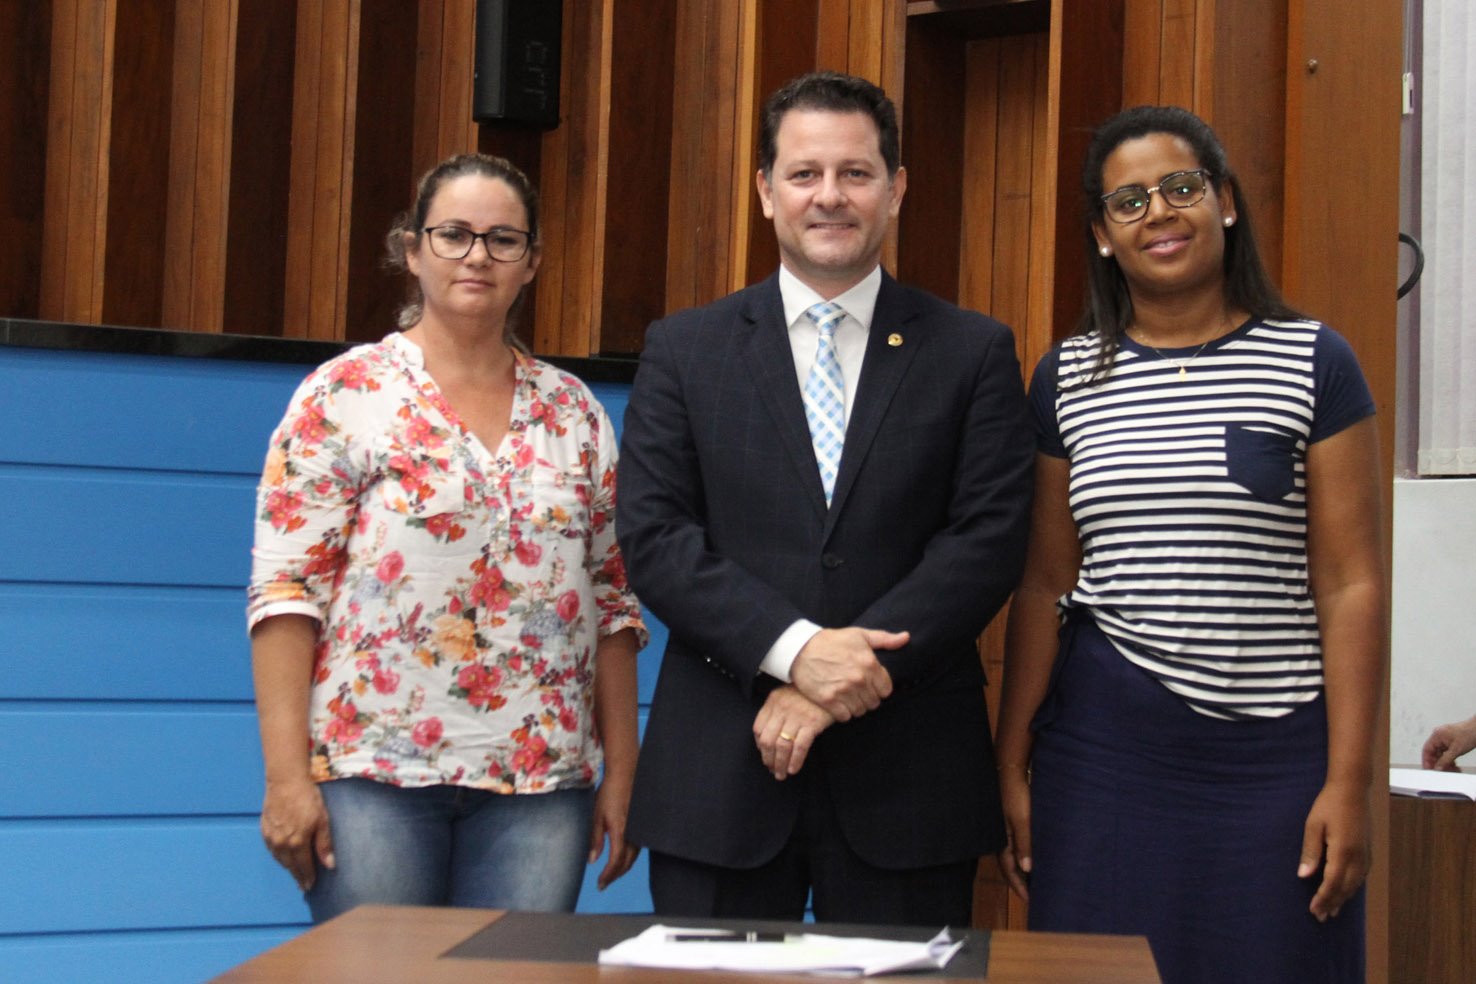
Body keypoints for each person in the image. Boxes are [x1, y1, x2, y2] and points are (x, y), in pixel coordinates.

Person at [615, 71, 1034, 927]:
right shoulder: (685, 349)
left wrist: (834, 682)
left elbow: (986, 542)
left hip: (910, 782)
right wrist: (797, 651)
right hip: (720, 776)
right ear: (766, 191)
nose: (830, 196)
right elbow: (657, 537)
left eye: (856, 172)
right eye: (804, 173)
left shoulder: (973, 351)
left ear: (896, 189)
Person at [993, 105, 1385, 983]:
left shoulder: (1314, 361)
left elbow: (1351, 583)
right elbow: (1044, 584)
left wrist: (1348, 781)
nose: (1159, 213)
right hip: (1106, 754)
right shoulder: (1066, 377)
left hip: (1277, 761)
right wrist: (1011, 763)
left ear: (1226, 202)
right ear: (1102, 235)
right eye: (1128, 201)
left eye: (1181, 187)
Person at [247, 153, 646, 921]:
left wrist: (623, 772)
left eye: (503, 240)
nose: (477, 256)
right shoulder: (344, 395)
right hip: (371, 774)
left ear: (531, 262)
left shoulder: (574, 413)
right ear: (412, 250)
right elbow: (286, 595)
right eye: (454, 234)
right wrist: (285, 777)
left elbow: (613, 601)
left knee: (514, 978)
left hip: (541, 783)